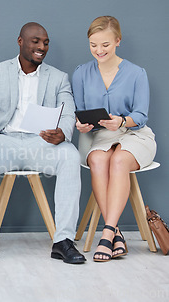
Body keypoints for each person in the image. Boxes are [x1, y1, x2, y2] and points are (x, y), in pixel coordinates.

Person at [0, 22, 86, 265]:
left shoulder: (58, 77)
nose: (41, 47)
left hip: (40, 144)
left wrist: (62, 133)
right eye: (35, 41)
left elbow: (67, 114)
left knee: (70, 155)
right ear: (20, 41)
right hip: (6, 141)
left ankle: (63, 240)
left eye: (45, 42)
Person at [73, 16, 156, 262]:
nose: (99, 51)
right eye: (93, 45)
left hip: (134, 134)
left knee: (118, 161)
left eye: (105, 45)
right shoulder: (80, 73)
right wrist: (80, 125)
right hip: (99, 137)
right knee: (98, 162)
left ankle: (107, 232)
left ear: (118, 41)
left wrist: (121, 121)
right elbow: (77, 111)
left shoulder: (136, 73)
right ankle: (115, 232)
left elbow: (140, 115)